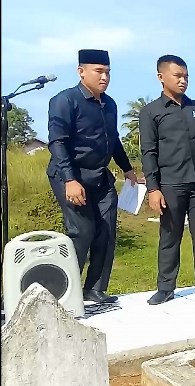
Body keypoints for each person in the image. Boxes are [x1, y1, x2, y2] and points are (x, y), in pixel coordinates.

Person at [47, 49, 138, 304]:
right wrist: (70, 179)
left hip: (100, 177)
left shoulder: (110, 104)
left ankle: (95, 289)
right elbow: (57, 142)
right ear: (81, 71)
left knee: (106, 232)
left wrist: (127, 168)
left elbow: (114, 139)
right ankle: (65, 293)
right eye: (99, 71)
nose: (104, 77)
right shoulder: (65, 100)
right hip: (71, 176)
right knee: (82, 232)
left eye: (107, 72)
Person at [139, 55, 195, 306]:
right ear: (161, 77)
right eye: (178, 76)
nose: (183, 81)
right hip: (170, 185)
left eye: (186, 76)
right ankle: (165, 287)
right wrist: (153, 188)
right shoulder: (151, 112)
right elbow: (148, 152)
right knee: (170, 236)